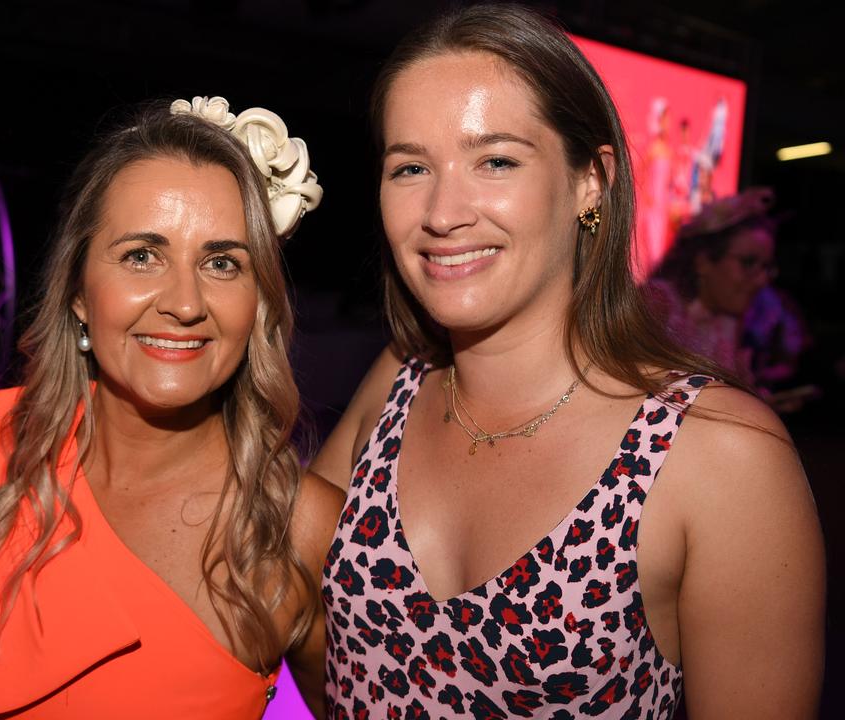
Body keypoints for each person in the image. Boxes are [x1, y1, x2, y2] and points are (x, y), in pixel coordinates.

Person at [312, 5, 824, 718]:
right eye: (410, 167)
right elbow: (281, 599)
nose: (441, 211)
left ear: (591, 180)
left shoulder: (722, 455)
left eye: (495, 160)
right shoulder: (398, 379)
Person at [0, 96, 342, 719]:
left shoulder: (300, 526)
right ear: (78, 292)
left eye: (222, 263)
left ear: (257, 302)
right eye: (141, 256)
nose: (185, 302)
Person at [646, 187, 778, 386]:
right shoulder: (657, 303)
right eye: (748, 263)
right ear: (704, 262)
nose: (761, 280)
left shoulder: (732, 322)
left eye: (766, 267)